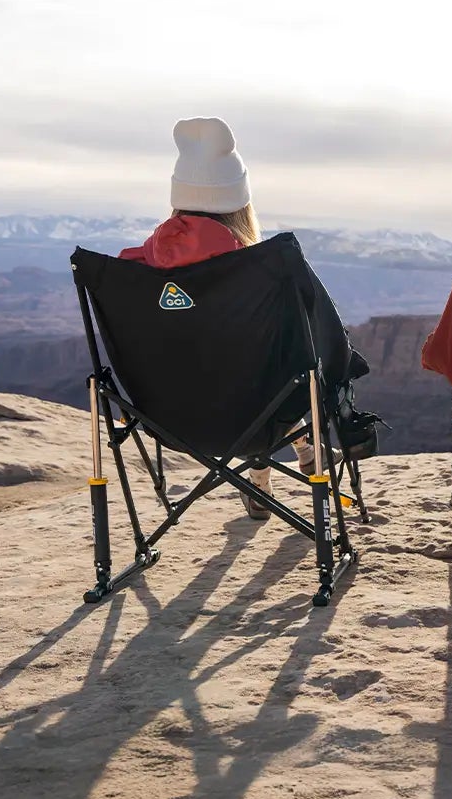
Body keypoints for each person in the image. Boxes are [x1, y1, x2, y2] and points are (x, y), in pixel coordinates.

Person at [121, 117, 323, 521]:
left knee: (238, 371)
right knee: (277, 369)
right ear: (239, 201)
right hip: (251, 411)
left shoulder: (134, 269)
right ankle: (302, 449)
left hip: (170, 417)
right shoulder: (256, 268)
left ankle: (268, 477)